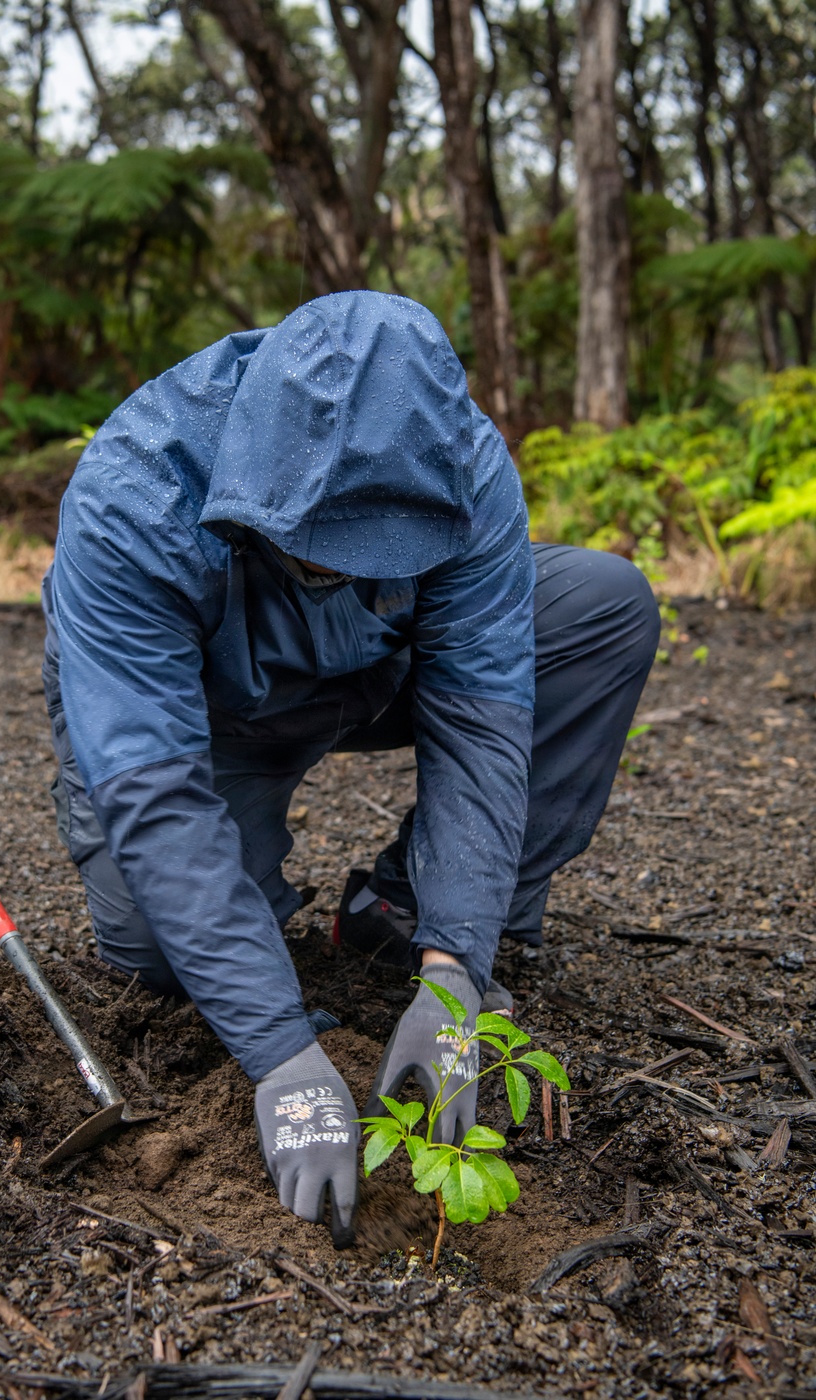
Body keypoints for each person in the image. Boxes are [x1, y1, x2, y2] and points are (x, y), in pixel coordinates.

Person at [41, 291, 659, 1246]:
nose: (341, 568)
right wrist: (281, 1053)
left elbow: (482, 724)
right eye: (321, 552)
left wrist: (456, 970)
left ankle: (401, 912)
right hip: (204, 716)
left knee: (602, 605)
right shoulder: (135, 493)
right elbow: (154, 790)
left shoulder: (458, 461)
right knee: (160, 958)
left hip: (382, 666)